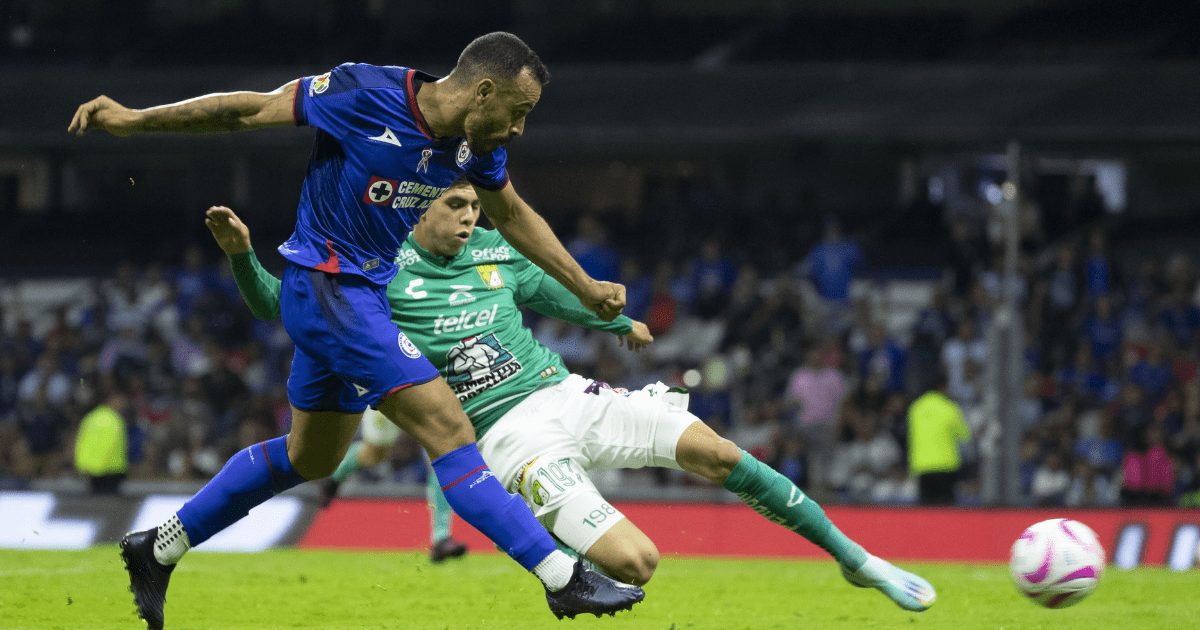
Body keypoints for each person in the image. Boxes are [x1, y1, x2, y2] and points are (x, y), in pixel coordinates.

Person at [69, 32, 639, 627]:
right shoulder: (364, 91)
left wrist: (584, 287)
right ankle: (561, 575)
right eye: (518, 112)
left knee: (310, 458)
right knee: (448, 426)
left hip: (358, 297)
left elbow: (513, 215)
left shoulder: (476, 148)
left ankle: (158, 547)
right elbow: (249, 108)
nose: (519, 129)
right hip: (326, 286)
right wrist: (136, 121)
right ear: (484, 91)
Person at [206, 181, 936, 612]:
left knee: (715, 449)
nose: (469, 219)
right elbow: (279, 306)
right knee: (638, 563)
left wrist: (615, 317)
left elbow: (556, 291)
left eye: (474, 208)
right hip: (508, 438)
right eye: (456, 207)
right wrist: (243, 257)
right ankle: (539, 525)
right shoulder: (375, 274)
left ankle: (854, 557)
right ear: (421, 212)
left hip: (568, 392)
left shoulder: (495, 252)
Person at [318, 413, 469, 564]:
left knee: (438, 458)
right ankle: (335, 477)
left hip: (422, 393)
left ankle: (441, 539)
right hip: (385, 392)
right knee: (374, 453)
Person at [907, 375, 971, 505]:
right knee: (945, 509)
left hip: (922, 466)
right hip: (946, 465)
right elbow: (964, 436)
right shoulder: (950, 407)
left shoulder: (916, 407)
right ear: (944, 388)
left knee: (926, 510)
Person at [75, 378, 130, 494]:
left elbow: (82, 444)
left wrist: (84, 468)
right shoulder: (114, 419)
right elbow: (108, 445)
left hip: (92, 471)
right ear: (114, 399)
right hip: (110, 471)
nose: (124, 403)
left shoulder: (91, 417)